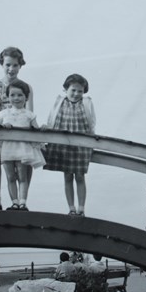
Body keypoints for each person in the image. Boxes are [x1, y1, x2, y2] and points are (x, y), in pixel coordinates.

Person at [0, 47, 34, 210]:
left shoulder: (26, 87)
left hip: (20, 129)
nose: (11, 69)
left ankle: (22, 202)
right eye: (8, 65)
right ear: (2, 64)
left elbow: (29, 112)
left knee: (26, 157)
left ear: (20, 66)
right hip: (3, 129)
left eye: (15, 65)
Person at [43, 74, 96, 216]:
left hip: (80, 145)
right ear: (66, 89)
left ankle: (81, 208)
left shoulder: (86, 103)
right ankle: (71, 208)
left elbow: (92, 122)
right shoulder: (60, 102)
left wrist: (92, 139)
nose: (76, 94)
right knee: (67, 176)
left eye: (80, 91)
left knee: (80, 176)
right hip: (64, 144)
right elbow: (52, 118)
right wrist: (47, 131)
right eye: (73, 90)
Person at [0, 79, 45, 210]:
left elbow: (36, 131)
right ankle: (15, 202)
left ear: (26, 97)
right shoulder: (3, 113)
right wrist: (2, 125)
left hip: (23, 149)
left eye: (20, 95)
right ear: (7, 97)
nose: (16, 98)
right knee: (10, 176)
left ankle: (23, 202)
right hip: (8, 148)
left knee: (22, 177)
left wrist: (43, 128)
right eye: (12, 95)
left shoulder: (29, 115)